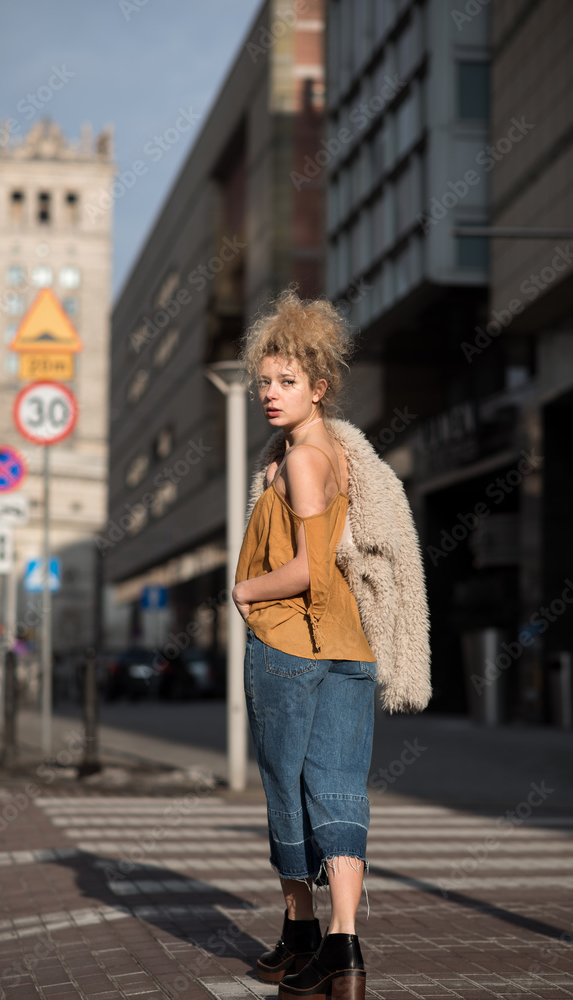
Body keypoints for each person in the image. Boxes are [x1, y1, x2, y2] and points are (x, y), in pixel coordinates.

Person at [232, 290, 431, 1000]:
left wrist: (246, 591)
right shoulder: (341, 456)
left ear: (319, 388)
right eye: (264, 381)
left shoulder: (302, 463)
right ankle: (338, 948)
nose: (269, 394)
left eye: (286, 382)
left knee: (286, 789)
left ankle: (301, 926)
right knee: (341, 791)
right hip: (349, 648)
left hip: (291, 642)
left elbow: (309, 568)